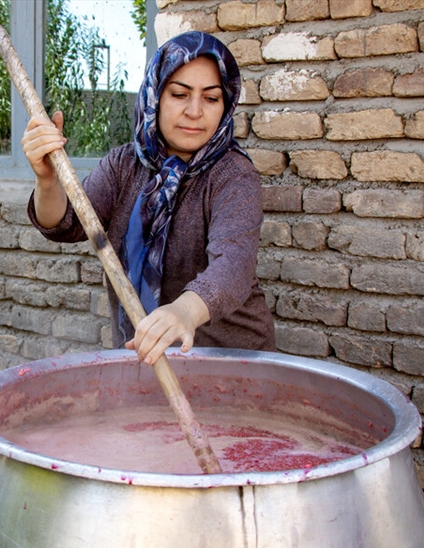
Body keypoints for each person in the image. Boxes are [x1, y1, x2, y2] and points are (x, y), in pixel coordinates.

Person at [23, 31, 275, 365]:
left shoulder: (232, 174)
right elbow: (67, 224)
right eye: (179, 94)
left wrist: (185, 311)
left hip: (229, 360)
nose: (195, 111)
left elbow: (234, 265)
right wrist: (47, 178)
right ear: (155, 95)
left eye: (211, 98)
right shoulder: (125, 165)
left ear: (226, 105)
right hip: (147, 355)